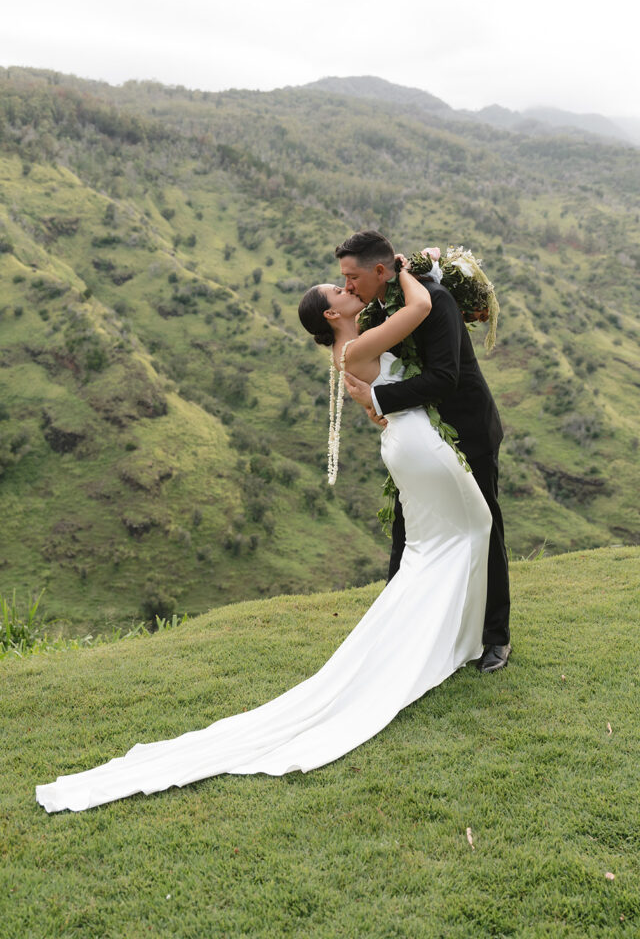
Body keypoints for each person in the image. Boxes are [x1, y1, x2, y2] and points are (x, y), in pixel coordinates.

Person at [35, 259, 491, 814]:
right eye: (342, 289)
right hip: (417, 444)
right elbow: (419, 309)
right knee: (471, 530)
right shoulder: (360, 343)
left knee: (431, 547)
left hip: (402, 440)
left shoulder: (346, 352)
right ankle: (457, 640)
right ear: (332, 312)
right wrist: (411, 269)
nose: (351, 289)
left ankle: (446, 636)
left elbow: (374, 409)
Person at [338, 231, 511, 673]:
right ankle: (397, 630)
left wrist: (378, 403)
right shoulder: (377, 312)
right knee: (405, 527)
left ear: (381, 270)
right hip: (416, 439)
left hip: (467, 429)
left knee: (484, 525)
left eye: (352, 277)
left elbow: (445, 377)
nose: (349, 286)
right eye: (343, 280)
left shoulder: (436, 301)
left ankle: (495, 637)